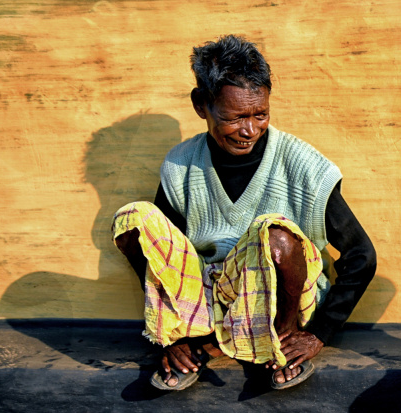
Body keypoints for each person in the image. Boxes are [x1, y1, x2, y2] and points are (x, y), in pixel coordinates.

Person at [112, 35, 376, 390]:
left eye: (260, 114)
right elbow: (167, 260)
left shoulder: (303, 165)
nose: (249, 130)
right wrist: (172, 334)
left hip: (284, 303)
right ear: (201, 105)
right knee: (134, 220)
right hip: (211, 302)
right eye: (235, 117)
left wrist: (317, 334)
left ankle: (277, 344)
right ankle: (188, 342)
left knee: (276, 234)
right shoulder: (180, 164)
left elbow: (362, 255)